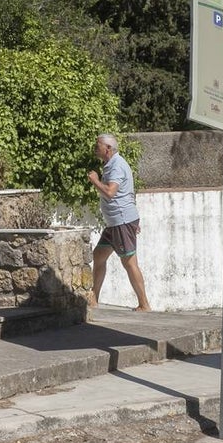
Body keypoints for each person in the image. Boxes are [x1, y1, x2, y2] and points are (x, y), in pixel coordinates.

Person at [89, 133, 151, 311]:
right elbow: (129, 191)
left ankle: (144, 304)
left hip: (121, 221)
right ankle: (94, 298)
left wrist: (94, 180)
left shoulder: (116, 166)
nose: (96, 146)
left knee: (129, 262)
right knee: (99, 256)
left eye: (98, 144)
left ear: (107, 148)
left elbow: (110, 192)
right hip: (116, 222)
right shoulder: (112, 164)